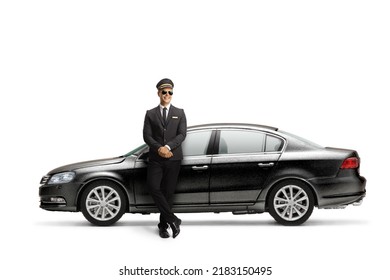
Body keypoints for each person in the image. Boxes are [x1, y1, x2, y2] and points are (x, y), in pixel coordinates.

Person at [143, 78, 187, 238]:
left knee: (168, 193)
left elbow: (182, 134)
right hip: (156, 158)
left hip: (173, 158)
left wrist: (167, 147)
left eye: (170, 92)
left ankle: (163, 226)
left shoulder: (179, 113)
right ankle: (173, 219)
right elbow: (146, 136)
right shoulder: (150, 114)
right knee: (153, 187)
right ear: (158, 93)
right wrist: (159, 148)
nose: (167, 94)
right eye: (164, 92)